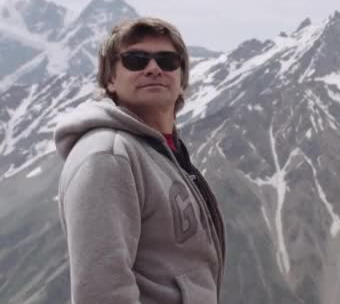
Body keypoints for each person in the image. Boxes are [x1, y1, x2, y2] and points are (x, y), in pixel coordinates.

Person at [54, 17, 225, 304]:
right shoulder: (108, 156)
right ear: (110, 79)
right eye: (135, 60)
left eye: (167, 60)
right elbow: (101, 293)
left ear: (182, 78)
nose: (153, 68)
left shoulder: (162, 150)